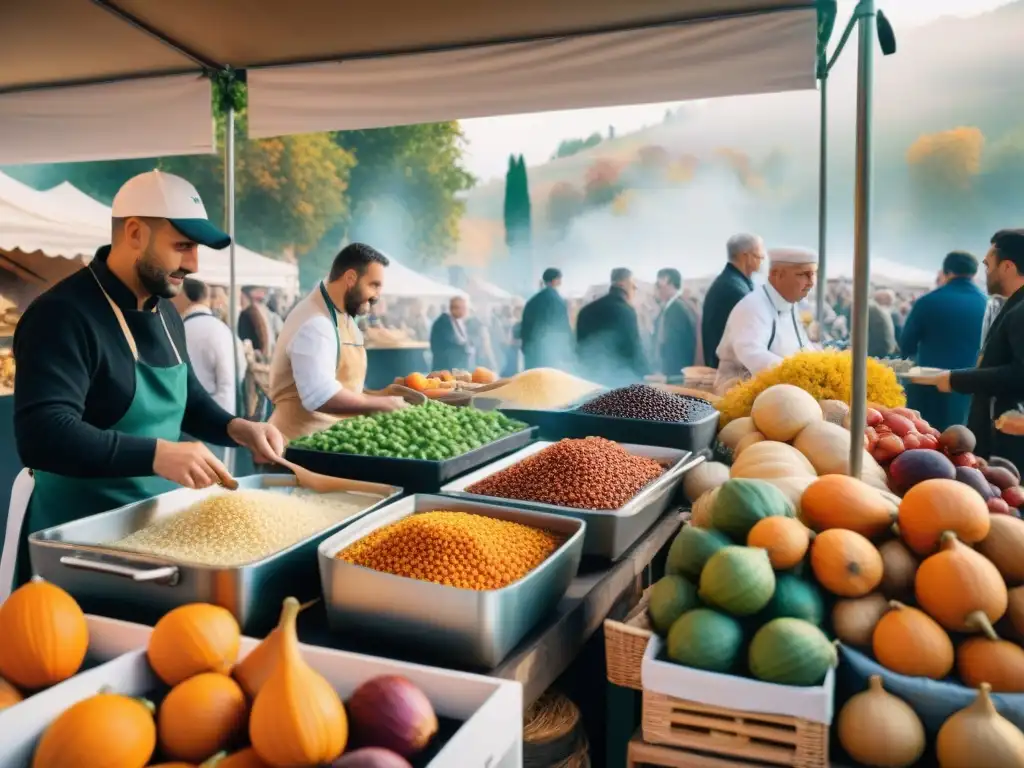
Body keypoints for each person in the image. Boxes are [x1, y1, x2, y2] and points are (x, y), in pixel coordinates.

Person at [2, 170, 284, 594]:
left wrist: (235, 427)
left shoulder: (167, 312)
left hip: (155, 535)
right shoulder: (60, 316)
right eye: (182, 246)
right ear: (134, 232)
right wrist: (157, 455)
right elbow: (43, 435)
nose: (193, 265)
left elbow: (187, 396)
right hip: (78, 542)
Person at [267, 243, 407, 442]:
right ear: (350, 278)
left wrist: (384, 394)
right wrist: (379, 404)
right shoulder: (316, 323)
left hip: (328, 443)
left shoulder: (343, 316)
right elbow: (321, 395)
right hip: (297, 448)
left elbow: (345, 384)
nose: (377, 296)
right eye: (374, 285)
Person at [913, 230, 1024, 470]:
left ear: (1007, 267)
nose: (985, 273)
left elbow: (1019, 374)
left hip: (1010, 445)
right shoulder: (1011, 305)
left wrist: (955, 379)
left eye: (988, 265)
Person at [900, 251, 988, 431]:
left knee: (925, 439)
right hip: (970, 388)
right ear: (974, 273)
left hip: (929, 385)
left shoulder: (927, 302)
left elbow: (906, 344)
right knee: (960, 445)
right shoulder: (988, 305)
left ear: (946, 271)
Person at [714, 247, 818, 392]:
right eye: (803, 275)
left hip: (782, 390)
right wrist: (798, 373)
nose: (811, 282)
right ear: (778, 274)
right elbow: (752, 353)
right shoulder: (753, 306)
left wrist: (820, 366)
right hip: (739, 392)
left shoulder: (790, 305)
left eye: (813, 274)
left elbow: (802, 345)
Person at [172, 278, 247, 415]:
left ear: (184, 296)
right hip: (223, 414)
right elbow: (239, 372)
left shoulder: (179, 330)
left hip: (189, 416)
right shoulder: (224, 330)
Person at [575, 268, 647, 386]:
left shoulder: (585, 311)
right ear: (623, 284)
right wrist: (645, 374)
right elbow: (633, 348)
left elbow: (579, 347)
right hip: (618, 380)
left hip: (588, 380)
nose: (634, 290)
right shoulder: (625, 310)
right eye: (633, 286)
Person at [701, 234, 764, 369]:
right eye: (759, 256)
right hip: (728, 375)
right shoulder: (734, 290)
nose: (763, 259)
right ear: (745, 257)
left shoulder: (733, 282)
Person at [520, 267, 574, 371]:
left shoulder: (532, 301)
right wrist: (569, 349)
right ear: (555, 280)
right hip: (550, 352)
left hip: (532, 352)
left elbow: (525, 327)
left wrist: (526, 347)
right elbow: (562, 326)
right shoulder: (557, 301)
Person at [652, 267, 698, 377]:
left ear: (669, 283)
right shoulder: (671, 308)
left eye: (658, 285)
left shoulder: (678, 309)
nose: (656, 289)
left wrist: (668, 376)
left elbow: (676, 348)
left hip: (676, 375)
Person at [430, 296, 474, 372]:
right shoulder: (443, 322)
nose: (465, 311)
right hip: (446, 368)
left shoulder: (459, 321)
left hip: (459, 367)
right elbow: (449, 344)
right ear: (453, 308)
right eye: (463, 308)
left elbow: (464, 339)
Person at [238, 285, 278, 360]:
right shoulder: (265, 311)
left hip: (255, 358)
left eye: (241, 297)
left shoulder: (247, 314)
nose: (240, 300)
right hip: (266, 357)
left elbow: (244, 339)